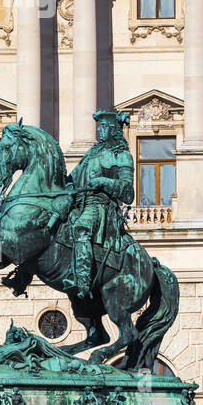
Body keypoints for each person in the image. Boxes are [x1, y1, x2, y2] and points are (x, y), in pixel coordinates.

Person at [65, 110, 135, 299]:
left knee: (81, 228)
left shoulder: (122, 156)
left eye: (103, 127)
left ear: (113, 129)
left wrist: (105, 182)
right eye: (99, 127)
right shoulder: (91, 153)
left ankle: (82, 282)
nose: (99, 131)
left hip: (101, 206)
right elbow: (72, 178)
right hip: (79, 203)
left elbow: (129, 193)